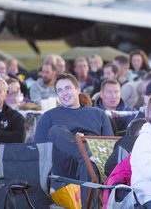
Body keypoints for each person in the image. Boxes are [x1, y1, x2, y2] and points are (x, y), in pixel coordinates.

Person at [34, 73, 113, 205]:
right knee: (56, 131)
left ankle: (87, 157)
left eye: (68, 88)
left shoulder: (98, 114)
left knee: (89, 166)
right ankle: (86, 156)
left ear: (78, 89)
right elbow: (39, 150)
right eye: (59, 90)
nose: (64, 93)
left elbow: (110, 145)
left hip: (94, 165)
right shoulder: (49, 116)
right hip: (65, 166)